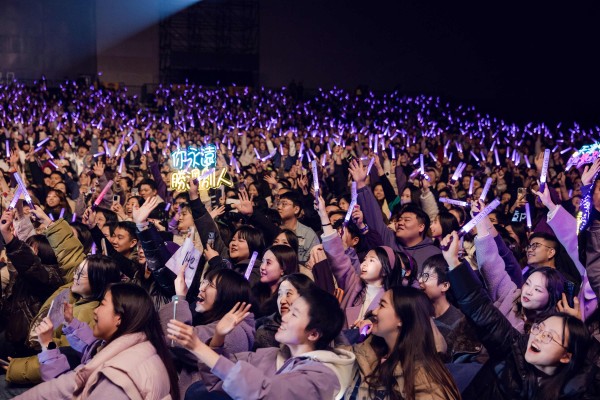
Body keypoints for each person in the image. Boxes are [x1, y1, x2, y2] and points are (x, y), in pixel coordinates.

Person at [442, 231, 592, 399]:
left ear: (566, 356)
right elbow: (481, 310)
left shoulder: (573, 390)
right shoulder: (515, 348)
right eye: (539, 329)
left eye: (549, 336)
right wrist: (453, 262)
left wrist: (578, 331)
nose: (538, 336)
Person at [168, 285, 356, 400]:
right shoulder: (270, 355)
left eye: (294, 314)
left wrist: (198, 347)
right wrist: (218, 337)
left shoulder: (322, 377)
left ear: (313, 334)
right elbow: (217, 380)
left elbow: (265, 393)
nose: (284, 316)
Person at [15, 283, 179, 399]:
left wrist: (48, 345)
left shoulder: (115, 381)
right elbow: (94, 348)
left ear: (119, 318)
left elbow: (64, 390)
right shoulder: (141, 347)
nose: (96, 310)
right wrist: (71, 322)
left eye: (102, 304)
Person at [346, 286, 461, 399]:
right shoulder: (369, 349)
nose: (374, 312)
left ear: (402, 319)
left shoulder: (426, 381)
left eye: (382, 305)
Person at [160, 267, 255, 395]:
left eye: (210, 285)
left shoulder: (235, 332)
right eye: (204, 282)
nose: (202, 288)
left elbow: (176, 339)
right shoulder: (221, 323)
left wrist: (179, 297)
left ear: (227, 295)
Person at [254, 273, 315, 349]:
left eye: (288, 294)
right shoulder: (266, 332)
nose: (282, 301)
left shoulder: (315, 327)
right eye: (279, 294)